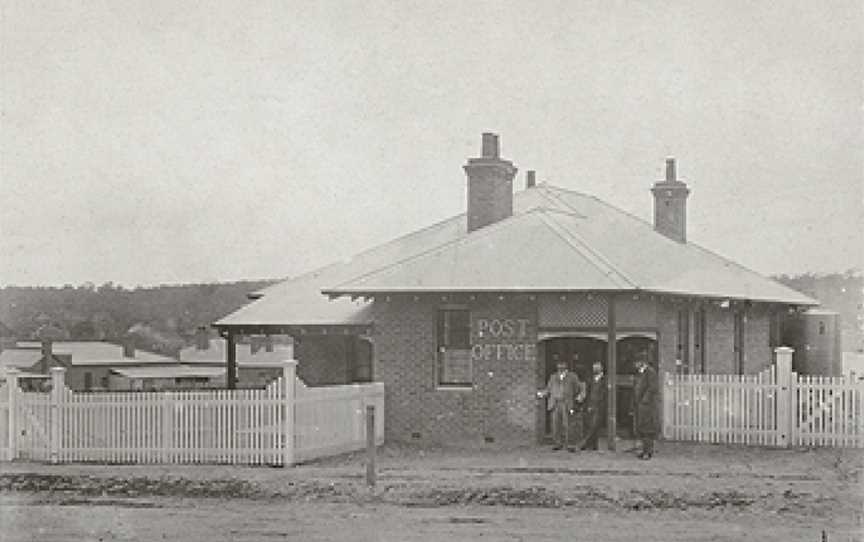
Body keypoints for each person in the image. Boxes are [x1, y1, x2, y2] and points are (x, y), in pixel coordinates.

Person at [540, 355, 585, 451]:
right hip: (555, 403)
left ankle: (570, 444)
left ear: (566, 366)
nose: (560, 367)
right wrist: (542, 394)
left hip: (567, 403)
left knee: (567, 424)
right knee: (556, 424)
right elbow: (548, 389)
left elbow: (579, 388)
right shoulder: (553, 377)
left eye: (562, 365)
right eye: (559, 365)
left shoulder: (572, 376)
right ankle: (558, 443)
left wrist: (579, 397)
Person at [633, 354, 659, 459]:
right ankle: (644, 450)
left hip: (647, 406)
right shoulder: (639, 374)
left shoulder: (650, 372)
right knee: (641, 429)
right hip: (640, 405)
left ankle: (648, 452)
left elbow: (653, 388)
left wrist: (645, 400)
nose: (635, 365)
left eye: (636, 362)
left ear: (642, 362)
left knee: (648, 429)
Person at [579, 360, 606, 450]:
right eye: (594, 367)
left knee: (594, 425)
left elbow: (604, 395)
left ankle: (584, 443)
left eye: (597, 367)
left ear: (601, 368)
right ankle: (594, 445)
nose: (595, 369)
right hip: (590, 404)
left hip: (599, 406)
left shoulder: (605, 380)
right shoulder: (590, 379)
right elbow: (588, 392)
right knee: (590, 425)